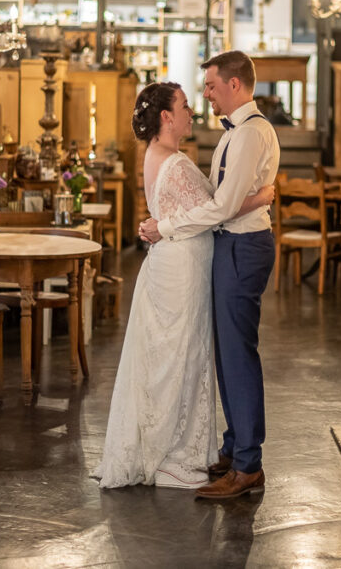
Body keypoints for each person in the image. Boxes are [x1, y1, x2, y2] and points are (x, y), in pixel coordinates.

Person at [93, 82, 274, 490]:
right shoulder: (174, 163)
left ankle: (172, 444)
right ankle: (173, 453)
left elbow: (205, 207)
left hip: (177, 261)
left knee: (174, 354)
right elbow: (216, 209)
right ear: (166, 117)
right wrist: (261, 196)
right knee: (181, 356)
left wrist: (163, 225)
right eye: (185, 106)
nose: (192, 111)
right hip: (182, 267)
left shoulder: (161, 155)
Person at [139, 51, 281, 500]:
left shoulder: (250, 133)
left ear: (234, 84)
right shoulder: (233, 133)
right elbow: (219, 200)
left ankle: (248, 465)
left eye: (212, 86)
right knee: (227, 354)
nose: (206, 95)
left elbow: (220, 207)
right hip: (230, 245)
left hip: (243, 247)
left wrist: (164, 227)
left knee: (238, 355)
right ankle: (234, 448)